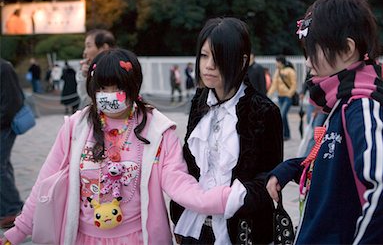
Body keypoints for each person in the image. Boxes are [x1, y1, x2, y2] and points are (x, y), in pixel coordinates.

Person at [2, 48, 238, 245]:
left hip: (138, 238)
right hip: (82, 237)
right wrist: (17, 231)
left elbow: (179, 183)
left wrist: (222, 199)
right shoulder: (76, 127)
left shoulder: (158, 131)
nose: (109, 95)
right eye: (102, 88)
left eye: (117, 88)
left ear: (133, 87)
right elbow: (45, 181)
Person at [266, 0, 383, 244]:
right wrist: (289, 168)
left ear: (347, 49)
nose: (308, 62)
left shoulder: (363, 106)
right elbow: (339, 161)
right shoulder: (346, 98)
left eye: (314, 51)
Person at [170, 17, 283, 244]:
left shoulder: (263, 110)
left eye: (218, 57)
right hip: (194, 228)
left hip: (241, 232)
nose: (208, 65)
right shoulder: (200, 101)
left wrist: (227, 199)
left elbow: (269, 180)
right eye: (204, 56)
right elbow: (190, 164)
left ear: (242, 61)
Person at [0, 59, 24, 229]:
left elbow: (14, 101)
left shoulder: (4, 68)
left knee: (0, 167)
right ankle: (7, 209)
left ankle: (13, 209)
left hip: (5, 126)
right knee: (3, 166)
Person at [76, 29, 116, 109]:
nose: (85, 52)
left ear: (104, 47)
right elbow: (85, 99)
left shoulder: (120, 70)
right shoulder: (90, 71)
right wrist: (84, 76)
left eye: (89, 46)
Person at [267, 55, 297, 141]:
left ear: (280, 62)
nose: (276, 64)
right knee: (283, 116)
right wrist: (268, 95)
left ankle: (284, 134)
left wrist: (289, 94)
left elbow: (294, 84)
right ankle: (286, 134)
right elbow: (274, 84)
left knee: (282, 115)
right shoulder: (278, 71)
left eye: (277, 62)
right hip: (280, 97)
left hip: (288, 97)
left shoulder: (290, 71)